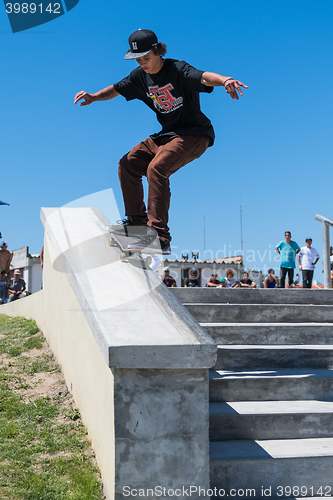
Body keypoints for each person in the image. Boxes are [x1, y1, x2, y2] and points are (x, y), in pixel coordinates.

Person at [74, 29, 247, 254]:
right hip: (167, 135)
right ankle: (137, 224)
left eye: (146, 57)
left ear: (157, 51)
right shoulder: (139, 77)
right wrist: (94, 97)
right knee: (128, 163)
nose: (142, 63)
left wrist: (225, 80)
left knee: (157, 168)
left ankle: (159, 236)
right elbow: (116, 90)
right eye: (138, 59)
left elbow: (204, 77)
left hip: (195, 134)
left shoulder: (177, 69)